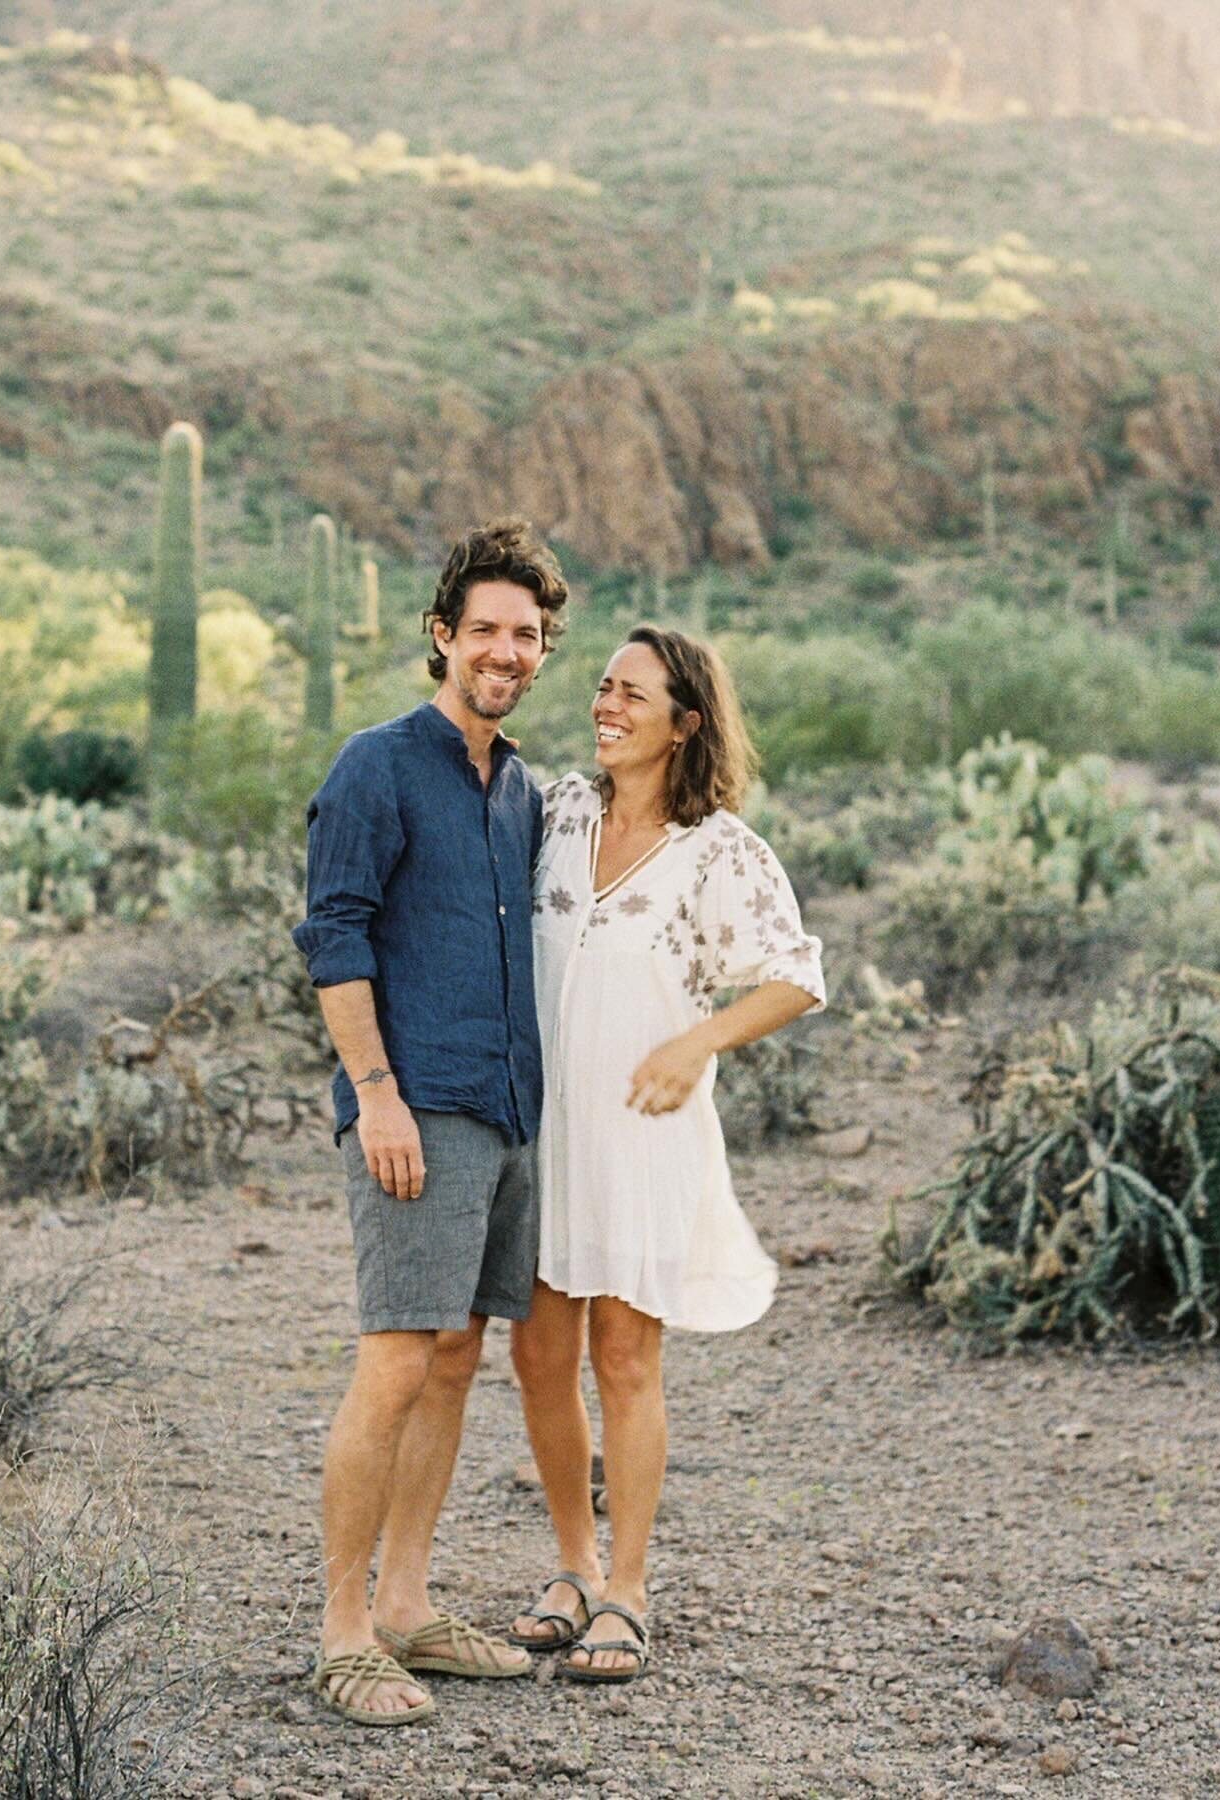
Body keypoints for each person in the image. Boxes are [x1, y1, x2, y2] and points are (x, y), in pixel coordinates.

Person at [508, 625, 825, 1684]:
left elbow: (795, 975)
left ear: (685, 722)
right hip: (544, 1126)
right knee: (541, 1359)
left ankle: (629, 1590)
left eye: (632, 694)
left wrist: (698, 1041)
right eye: (601, 687)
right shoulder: (557, 811)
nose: (606, 705)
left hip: (642, 1132)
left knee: (626, 1359)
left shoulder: (719, 848)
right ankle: (571, 1565)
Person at [292, 519, 568, 1725]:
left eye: (529, 635)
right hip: (418, 1108)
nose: (504, 651)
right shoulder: (377, 764)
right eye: (487, 630)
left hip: (506, 1112)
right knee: (398, 1359)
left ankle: (407, 1602)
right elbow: (335, 935)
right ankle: (343, 1630)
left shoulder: (523, 790)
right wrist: (378, 1096)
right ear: (443, 635)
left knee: (458, 1356)